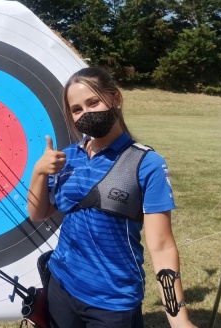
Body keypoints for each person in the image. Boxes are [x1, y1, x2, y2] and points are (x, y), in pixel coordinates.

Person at [28, 67, 198, 328]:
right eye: (76, 109)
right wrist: (39, 172)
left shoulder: (146, 163)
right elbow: (39, 213)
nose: (85, 113)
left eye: (93, 102)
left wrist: (179, 319)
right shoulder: (68, 157)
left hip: (113, 300)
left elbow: (162, 246)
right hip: (62, 285)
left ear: (115, 99)